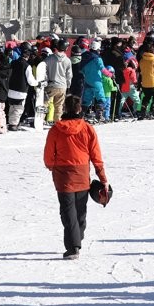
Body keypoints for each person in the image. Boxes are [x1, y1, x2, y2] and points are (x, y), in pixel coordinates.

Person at [44, 95, 109, 260]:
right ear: (79, 109)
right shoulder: (87, 129)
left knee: (68, 211)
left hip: (62, 175)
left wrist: (51, 165)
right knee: (80, 211)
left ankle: (73, 246)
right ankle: (77, 238)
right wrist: (102, 178)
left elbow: (48, 155)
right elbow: (96, 156)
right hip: (82, 174)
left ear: (65, 109)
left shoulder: (56, 129)